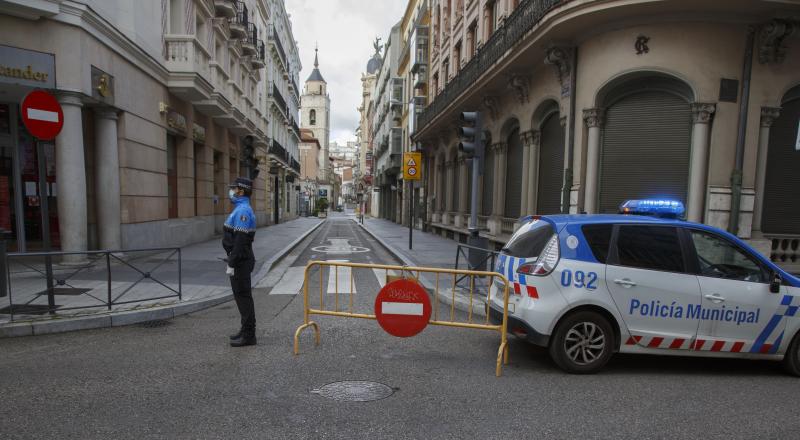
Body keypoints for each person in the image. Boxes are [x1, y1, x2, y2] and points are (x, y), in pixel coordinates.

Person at [223, 177, 257, 347]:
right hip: (240, 259)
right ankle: (245, 330)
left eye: (234, 188)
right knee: (241, 297)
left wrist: (232, 262)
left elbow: (240, 241)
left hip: (241, 261)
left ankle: (249, 335)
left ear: (241, 191)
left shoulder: (243, 211)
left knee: (243, 297)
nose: (232, 191)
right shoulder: (240, 208)